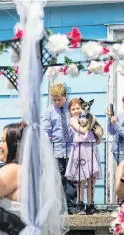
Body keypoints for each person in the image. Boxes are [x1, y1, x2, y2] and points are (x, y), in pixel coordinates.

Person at [42, 83, 77, 214]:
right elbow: (46, 128)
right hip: (57, 149)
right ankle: (60, 206)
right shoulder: (49, 111)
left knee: (72, 178)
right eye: (54, 100)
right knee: (59, 178)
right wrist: (46, 138)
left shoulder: (71, 108)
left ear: (65, 96)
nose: (57, 102)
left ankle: (72, 206)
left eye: (59, 99)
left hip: (72, 148)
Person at [64, 98, 103, 215]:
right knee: (81, 179)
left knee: (91, 179)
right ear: (70, 111)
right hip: (80, 150)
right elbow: (81, 130)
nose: (76, 110)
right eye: (73, 109)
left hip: (91, 148)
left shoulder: (90, 117)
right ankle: (80, 204)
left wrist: (99, 136)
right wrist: (91, 123)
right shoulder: (73, 120)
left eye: (78, 108)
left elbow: (97, 140)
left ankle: (90, 205)